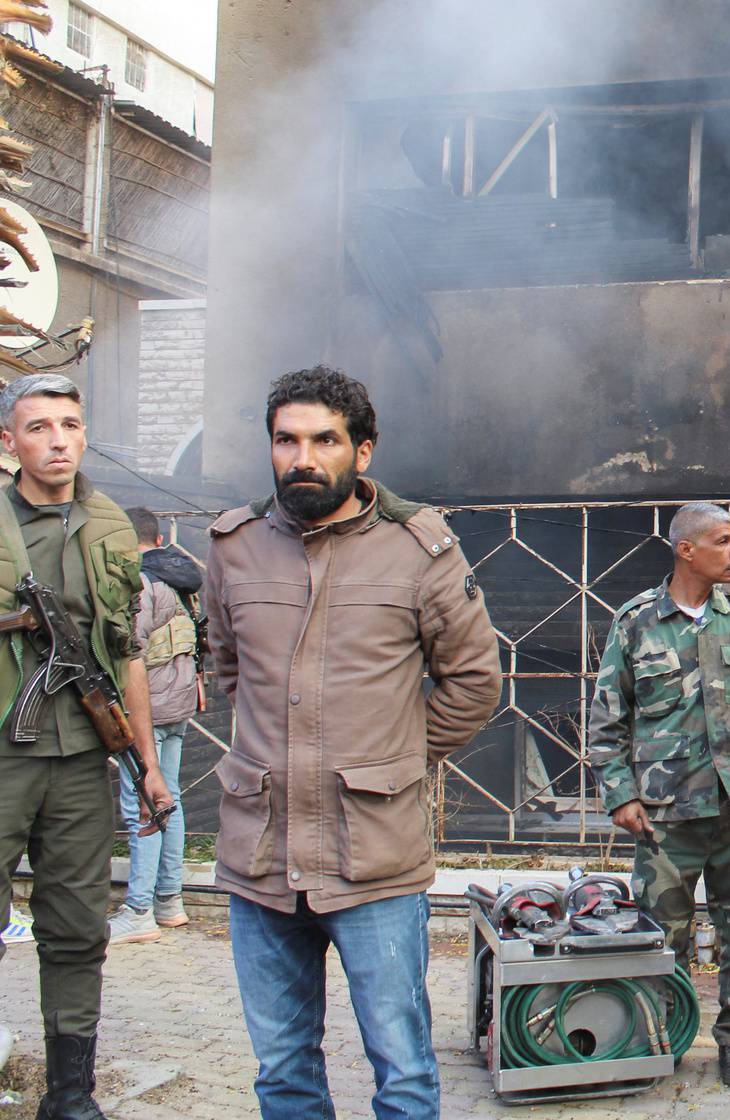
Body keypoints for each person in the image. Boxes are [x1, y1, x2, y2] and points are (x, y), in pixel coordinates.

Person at [205, 367, 501, 1118]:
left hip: (373, 855)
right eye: (287, 440)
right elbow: (230, 667)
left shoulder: (420, 550)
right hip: (261, 856)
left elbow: (474, 682)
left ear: (361, 452)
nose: (304, 457)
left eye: (324, 440)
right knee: (282, 1073)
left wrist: (399, 756)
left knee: (402, 1071)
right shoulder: (234, 547)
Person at [587, 502, 730, 1089]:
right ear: (686, 549)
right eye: (724, 541)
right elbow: (608, 719)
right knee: (664, 935)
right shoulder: (635, 621)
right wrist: (619, 796)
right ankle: (664, 1034)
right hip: (666, 815)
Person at [0, 372, 172, 1120]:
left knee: (76, 929)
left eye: (70, 424)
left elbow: (127, 652)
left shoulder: (107, 524)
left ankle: (70, 1093)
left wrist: (150, 764)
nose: (58, 440)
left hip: (78, 761)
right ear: (10, 442)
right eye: (39, 427)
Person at [105, 507, 202, 945]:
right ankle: (169, 901)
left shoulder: (141, 584)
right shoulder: (182, 586)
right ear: (160, 539)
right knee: (170, 800)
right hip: (180, 705)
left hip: (150, 712)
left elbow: (130, 655)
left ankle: (139, 909)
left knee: (141, 804)